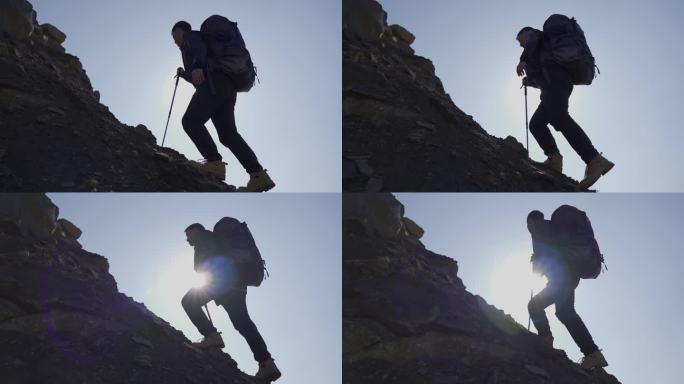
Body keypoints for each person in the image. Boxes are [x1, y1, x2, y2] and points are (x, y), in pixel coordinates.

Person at [171, 20, 275, 192]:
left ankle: (214, 162)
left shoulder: (191, 36)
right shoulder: (202, 42)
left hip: (213, 85)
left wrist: (195, 67)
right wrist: (185, 74)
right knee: (228, 135)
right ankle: (258, 175)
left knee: (190, 121)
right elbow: (199, 75)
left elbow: (199, 56)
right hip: (226, 87)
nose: (174, 42)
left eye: (174, 36)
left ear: (180, 30)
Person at [516, 25, 614, 189]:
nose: (520, 45)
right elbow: (543, 71)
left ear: (526, 33)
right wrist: (530, 81)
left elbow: (538, 52)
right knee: (536, 124)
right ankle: (554, 159)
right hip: (552, 87)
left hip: (556, 84)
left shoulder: (534, 35)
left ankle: (594, 159)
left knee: (559, 118)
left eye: (520, 40)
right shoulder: (540, 48)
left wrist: (523, 59)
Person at [181, 223, 281, 382]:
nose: (187, 240)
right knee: (242, 322)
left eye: (188, 235)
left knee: (188, 301)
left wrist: (201, 270)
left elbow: (207, 261)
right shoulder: (215, 239)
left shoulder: (204, 237)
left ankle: (211, 336)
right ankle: (267, 364)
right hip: (237, 283)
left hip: (223, 282)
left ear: (195, 230)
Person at [526, 210, 608, 370]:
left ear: (531, 222)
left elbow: (541, 266)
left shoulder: (539, 230)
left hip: (561, 277)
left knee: (535, 306)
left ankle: (545, 340)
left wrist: (535, 261)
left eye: (528, 224)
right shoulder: (553, 227)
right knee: (565, 312)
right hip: (570, 275)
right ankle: (593, 354)